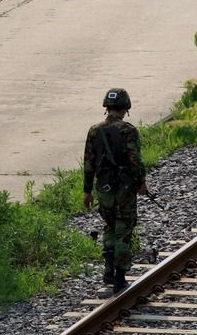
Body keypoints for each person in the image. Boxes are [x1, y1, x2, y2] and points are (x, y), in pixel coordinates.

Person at [83, 88, 147, 294]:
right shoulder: (129, 131)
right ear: (126, 107)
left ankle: (108, 269)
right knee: (124, 230)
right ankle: (120, 277)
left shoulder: (94, 130)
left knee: (110, 226)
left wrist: (87, 191)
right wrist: (141, 183)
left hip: (103, 188)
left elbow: (88, 163)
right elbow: (135, 161)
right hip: (124, 189)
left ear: (107, 107)